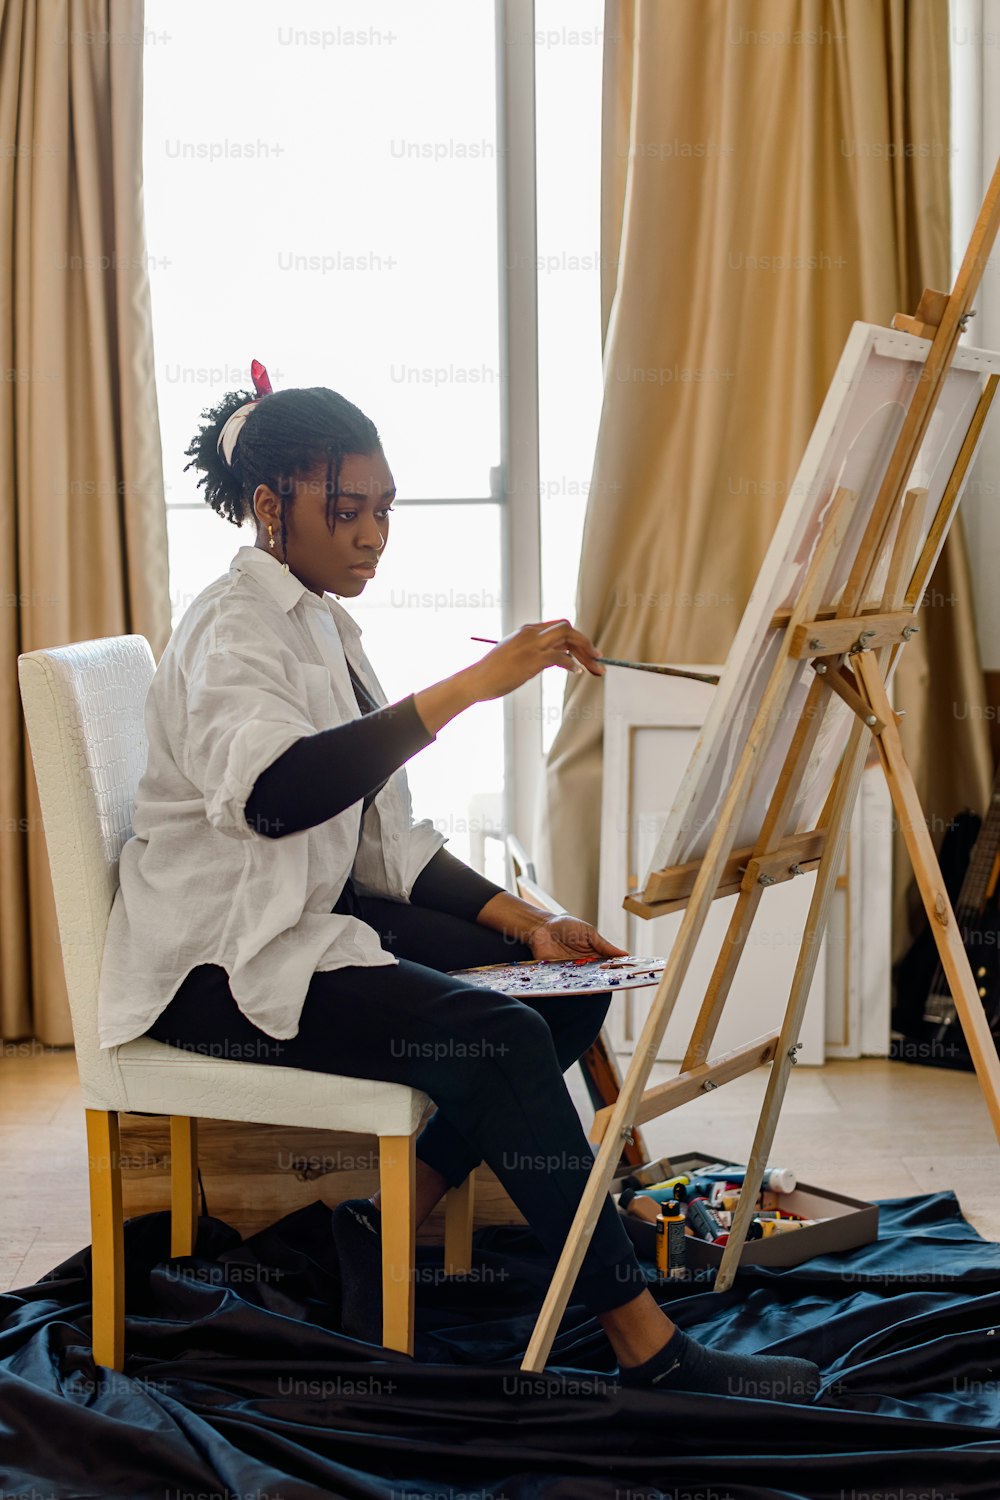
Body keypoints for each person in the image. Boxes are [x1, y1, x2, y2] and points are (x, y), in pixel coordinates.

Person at [96, 363, 820, 1403]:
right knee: (499, 1037)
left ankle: (381, 1230)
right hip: (215, 965)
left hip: (296, 923)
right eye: (346, 511)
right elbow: (273, 800)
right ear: (270, 507)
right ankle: (645, 1346)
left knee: (561, 992)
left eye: (382, 511)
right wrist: (470, 689)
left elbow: (383, 838)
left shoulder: (321, 624)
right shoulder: (232, 629)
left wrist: (531, 922)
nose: (371, 536)